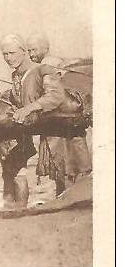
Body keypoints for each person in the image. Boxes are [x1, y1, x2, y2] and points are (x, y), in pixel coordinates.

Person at [26, 34, 92, 195]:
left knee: (63, 163)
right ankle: (71, 195)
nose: (31, 54)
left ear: (46, 49)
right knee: (73, 161)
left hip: (59, 122)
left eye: (34, 49)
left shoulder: (47, 65)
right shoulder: (58, 62)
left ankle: (66, 197)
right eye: (28, 50)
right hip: (70, 121)